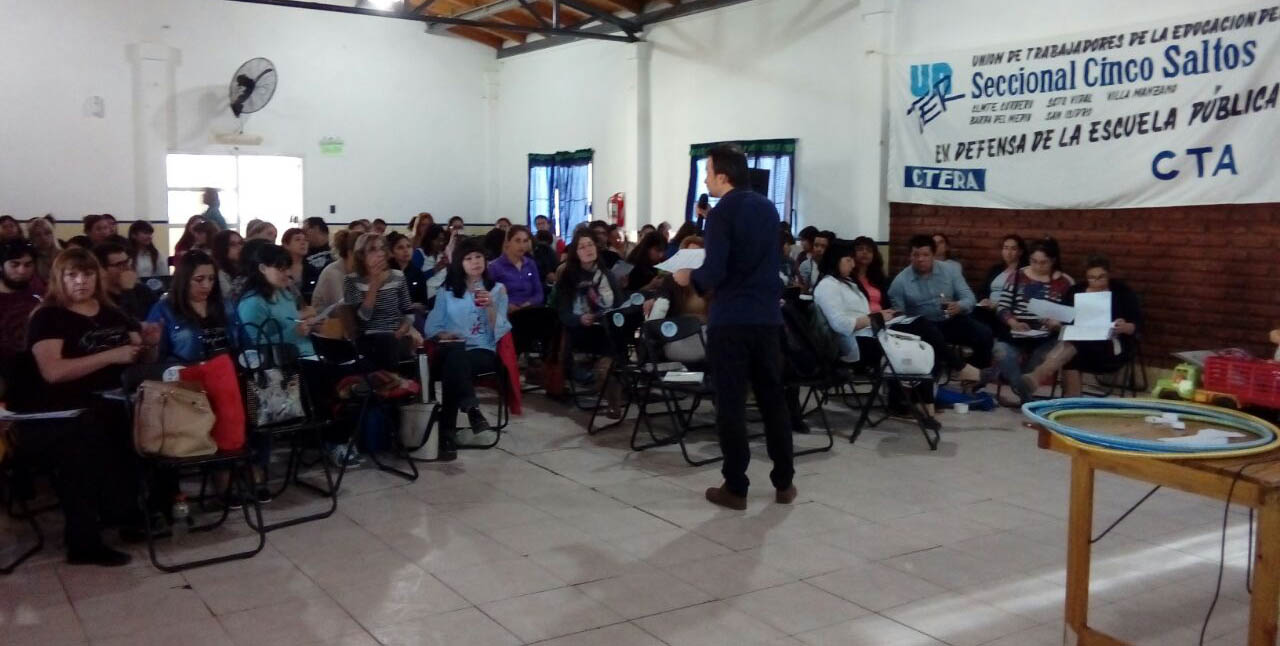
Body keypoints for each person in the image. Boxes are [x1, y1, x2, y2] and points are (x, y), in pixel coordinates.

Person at [671, 144, 795, 511]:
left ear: (723, 176)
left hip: (732, 320)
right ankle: (784, 482)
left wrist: (687, 276)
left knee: (731, 403)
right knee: (773, 400)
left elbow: (716, 271)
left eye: (708, 171)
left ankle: (736, 486)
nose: (706, 177)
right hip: (767, 318)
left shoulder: (723, 212)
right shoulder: (768, 207)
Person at [18, 247, 159, 566]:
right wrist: (110, 356)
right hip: (61, 410)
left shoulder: (111, 312)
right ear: (59, 278)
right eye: (72, 275)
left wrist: (150, 343)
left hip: (110, 400)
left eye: (87, 274)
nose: (81, 281)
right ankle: (83, 541)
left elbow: (141, 356)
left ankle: (129, 514)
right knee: (85, 440)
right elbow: (53, 372)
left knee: (144, 422)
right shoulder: (48, 317)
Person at [815, 239, 939, 426]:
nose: (852, 263)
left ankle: (925, 405)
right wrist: (876, 317)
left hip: (870, 332)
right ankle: (925, 406)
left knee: (919, 337)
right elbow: (841, 324)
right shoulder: (827, 286)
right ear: (836, 260)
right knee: (910, 350)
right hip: (852, 343)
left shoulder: (848, 282)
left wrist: (879, 317)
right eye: (848, 260)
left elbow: (862, 313)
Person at [424, 237, 511, 445]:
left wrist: (491, 306)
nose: (475, 262)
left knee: (454, 364)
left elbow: (500, 331)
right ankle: (472, 411)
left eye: (479, 257)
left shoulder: (497, 289)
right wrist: (444, 335)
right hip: (451, 347)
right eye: (469, 258)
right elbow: (431, 327)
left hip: (481, 349)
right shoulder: (448, 291)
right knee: (454, 354)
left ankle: (448, 430)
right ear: (460, 264)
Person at [1022, 254, 1142, 397]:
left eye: (1101, 277)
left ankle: (1040, 375)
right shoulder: (1076, 290)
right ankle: (1070, 401)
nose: (1096, 281)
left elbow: (1137, 324)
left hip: (1109, 345)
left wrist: (1124, 326)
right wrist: (1055, 323)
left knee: (1073, 346)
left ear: (1109, 275)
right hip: (1078, 343)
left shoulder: (1122, 292)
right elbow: (1065, 318)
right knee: (1074, 346)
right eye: (1091, 277)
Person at [888, 234, 991, 382]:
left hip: (948, 319)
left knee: (984, 334)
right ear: (910, 256)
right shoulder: (900, 282)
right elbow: (899, 319)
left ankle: (974, 379)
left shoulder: (950, 270)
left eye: (925, 255)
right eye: (916, 255)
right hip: (923, 327)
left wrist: (959, 306)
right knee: (930, 341)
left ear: (933, 255)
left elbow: (969, 298)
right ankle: (960, 371)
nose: (920, 259)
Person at [991, 237, 1074, 403]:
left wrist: (1056, 324)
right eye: (1034, 261)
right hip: (1017, 331)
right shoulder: (1017, 276)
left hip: (1047, 335)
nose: (1038, 266)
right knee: (1001, 352)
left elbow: (1070, 315)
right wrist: (1013, 322)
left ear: (1053, 261)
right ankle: (1024, 391)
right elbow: (1003, 307)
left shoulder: (1065, 283)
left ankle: (1024, 387)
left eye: (1043, 263)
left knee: (1044, 357)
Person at [555, 230, 623, 415]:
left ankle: (611, 391)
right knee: (606, 348)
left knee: (614, 339)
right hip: (581, 330)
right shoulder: (568, 277)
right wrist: (580, 318)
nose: (587, 250)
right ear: (575, 253)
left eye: (590, 245)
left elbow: (618, 304)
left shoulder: (607, 275)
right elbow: (564, 313)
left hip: (606, 327)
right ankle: (608, 384)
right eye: (582, 247)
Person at [343, 233, 418, 370]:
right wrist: (374, 284)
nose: (380, 254)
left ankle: (388, 382)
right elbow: (363, 318)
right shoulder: (351, 281)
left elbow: (409, 313)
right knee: (383, 342)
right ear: (361, 255)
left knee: (389, 341)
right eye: (372, 249)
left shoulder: (398, 276)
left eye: (382, 248)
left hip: (395, 335)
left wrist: (401, 330)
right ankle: (389, 382)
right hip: (367, 337)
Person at [146, 251, 230, 363]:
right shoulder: (163, 309)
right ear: (184, 280)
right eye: (199, 279)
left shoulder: (226, 305)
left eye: (211, 279)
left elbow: (243, 344)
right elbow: (153, 358)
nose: (207, 285)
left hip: (226, 372)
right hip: (183, 375)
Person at [237, 244, 317, 356]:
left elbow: (292, 322)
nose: (288, 273)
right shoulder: (253, 302)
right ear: (263, 269)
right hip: (288, 362)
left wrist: (309, 325)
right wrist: (295, 332)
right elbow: (258, 345)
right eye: (281, 269)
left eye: (288, 268)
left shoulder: (284, 293)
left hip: (306, 353)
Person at [0, 241, 42, 395]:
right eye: (14, 264)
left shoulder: (39, 298)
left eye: (28, 265)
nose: (22, 270)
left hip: (36, 372)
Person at [92, 242, 157, 322]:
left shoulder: (143, 290)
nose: (127, 267)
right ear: (102, 270)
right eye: (119, 264)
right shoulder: (100, 299)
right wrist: (127, 291)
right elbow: (129, 323)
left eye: (127, 262)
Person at [489, 226, 544, 311]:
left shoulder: (530, 263)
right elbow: (491, 296)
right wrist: (508, 306)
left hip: (530, 309)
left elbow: (539, 293)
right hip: (506, 312)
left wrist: (528, 304)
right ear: (508, 242)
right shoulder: (495, 266)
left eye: (525, 241)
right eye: (517, 241)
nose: (522, 245)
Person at [311, 229, 353, 314]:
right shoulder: (333, 273)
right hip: (325, 323)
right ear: (351, 253)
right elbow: (343, 311)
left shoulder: (355, 271)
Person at [410, 224, 450, 304]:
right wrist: (435, 269)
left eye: (442, 240)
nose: (441, 243)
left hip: (443, 293)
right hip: (427, 296)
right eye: (438, 240)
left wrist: (448, 266)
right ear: (429, 239)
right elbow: (414, 280)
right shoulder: (420, 254)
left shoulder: (441, 254)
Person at [387, 232, 428, 305]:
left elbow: (423, 301)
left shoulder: (418, 273)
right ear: (392, 252)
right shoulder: (385, 272)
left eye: (409, 246)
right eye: (400, 247)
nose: (406, 250)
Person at [282, 228, 320, 304]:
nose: (303, 243)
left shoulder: (312, 270)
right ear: (286, 245)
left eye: (306, 240)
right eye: (297, 239)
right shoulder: (279, 269)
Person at [211, 229, 245, 306]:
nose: (239, 247)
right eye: (232, 244)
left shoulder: (246, 268)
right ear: (222, 248)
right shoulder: (219, 273)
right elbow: (231, 298)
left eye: (241, 243)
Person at [26, 216, 60, 288]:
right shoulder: (29, 257)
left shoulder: (63, 255)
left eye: (47, 233)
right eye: (38, 235)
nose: (43, 238)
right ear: (32, 238)